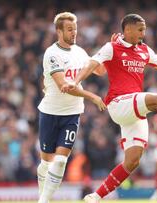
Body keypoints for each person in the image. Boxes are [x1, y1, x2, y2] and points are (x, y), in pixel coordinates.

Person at [62, 14, 157, 203]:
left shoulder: (144, 50)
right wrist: (75, 82)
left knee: (132, 161)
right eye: (140, 29)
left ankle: (95, 196)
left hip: (133, 111)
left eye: (144, 29)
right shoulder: (112, 47)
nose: (144, 32)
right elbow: (92, 64)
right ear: (128, 30)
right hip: (118, 103)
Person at [36, 12, 107, 203]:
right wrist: (91, 96)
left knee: (60, 162)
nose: (74, 33)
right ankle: (43, 195)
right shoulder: (52, 54)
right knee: (46, 162)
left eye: (75, 29)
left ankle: (43, 201)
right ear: (59, 31)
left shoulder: (80, 52)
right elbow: (64, 86)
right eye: (69, 29)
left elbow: (100, 70)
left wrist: (106, 53)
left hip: (72, 114)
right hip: (50, 112)